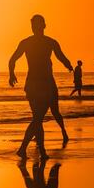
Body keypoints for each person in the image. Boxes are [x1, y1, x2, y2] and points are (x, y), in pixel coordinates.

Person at [9, 14, 74, 159]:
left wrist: (69, 65)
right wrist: (11, 73)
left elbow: (61, 56)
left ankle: (40, 150)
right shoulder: (27, 42)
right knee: (38, 118)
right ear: (32, 27)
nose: (35, 28)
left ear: (44, 26)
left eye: (38, 25)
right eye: (33, 25)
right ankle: (25, 149)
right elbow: (12, 59)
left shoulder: (50, 42)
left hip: (46, 83)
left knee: (38, 117)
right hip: (35, 84)